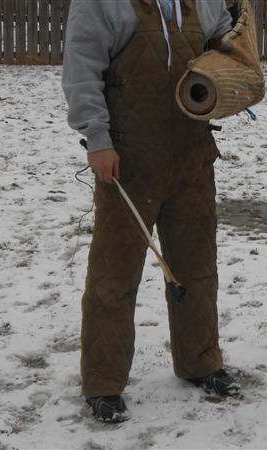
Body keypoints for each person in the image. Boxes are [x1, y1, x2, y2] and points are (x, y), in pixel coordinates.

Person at [62, 0, 239, 423]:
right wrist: (97, 139)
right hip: (128, 160)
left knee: (197, 267)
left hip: (192, 156)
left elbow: (229, 37)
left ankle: (200, 362)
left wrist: (234, 45)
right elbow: (82, 68)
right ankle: (103, 384)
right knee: (114, 275)